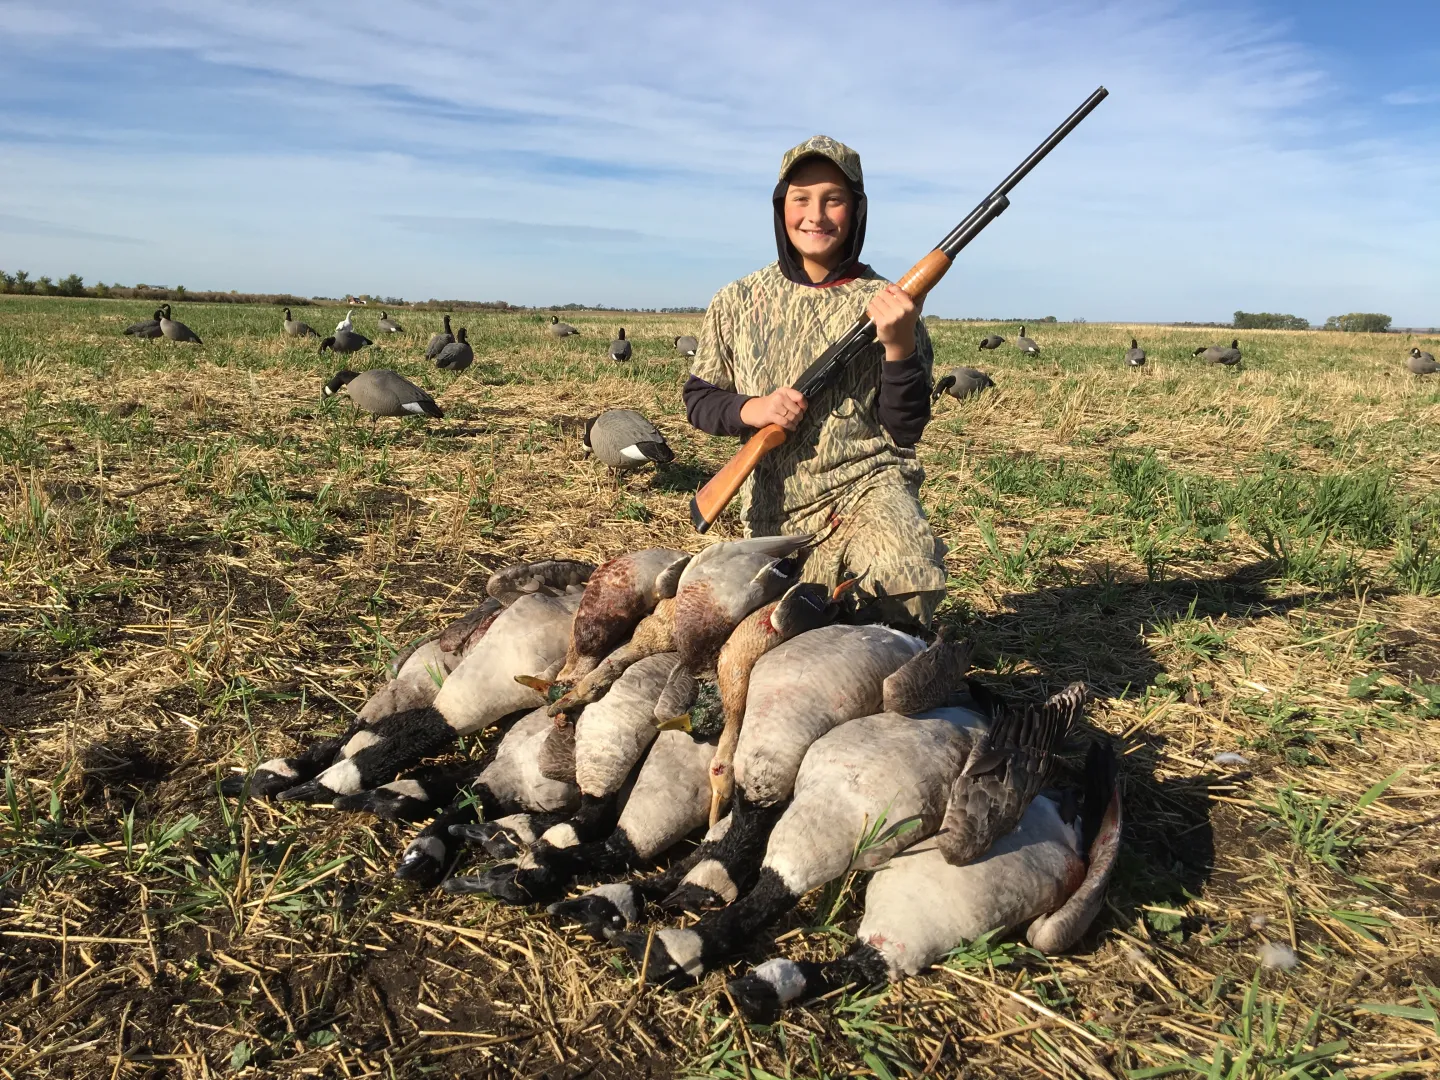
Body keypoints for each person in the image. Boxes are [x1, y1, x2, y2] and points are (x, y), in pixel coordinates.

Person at [683, 134, 948, 628]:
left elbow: (906, 428)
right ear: (781, 207)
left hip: (867, 487)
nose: (816, 215)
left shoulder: (889, 303)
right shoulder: (736, 300)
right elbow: (699, 399)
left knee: (905, 579)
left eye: (834, 200)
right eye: (801, 199)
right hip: (774, 507)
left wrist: (898, 345)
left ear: (857, 210)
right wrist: (754, 409)